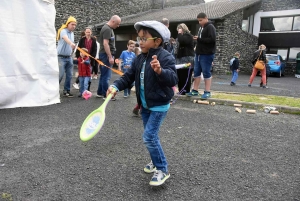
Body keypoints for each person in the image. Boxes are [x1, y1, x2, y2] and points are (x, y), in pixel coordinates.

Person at [107, 21, 178, 186]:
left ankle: (162, 169)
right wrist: (115, 86)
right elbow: (128, 77)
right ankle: (155, 161)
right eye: (139, 38)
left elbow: (173, 79)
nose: (140, 42)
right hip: (145, 106)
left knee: (149, 137)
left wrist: (160, 71)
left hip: (159, 105)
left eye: (144, 39)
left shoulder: (166, 57)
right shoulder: (139, 59)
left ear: (157, 41)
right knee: (151, 136)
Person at [186, 12, 216, 99]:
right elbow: (201, 40)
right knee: (196, 72)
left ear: (206, 18)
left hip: (207, 54)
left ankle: (207, 91)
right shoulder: (201, 28)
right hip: (198, 53)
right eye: (198, 21)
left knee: (206, 72)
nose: (199, 22)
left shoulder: (210, 27)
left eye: (201, 20)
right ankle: (195, 90)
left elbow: (212, 40)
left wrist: (199, 39)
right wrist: (197, 40)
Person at [96, 15, 121, 100]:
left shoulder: (108, 28)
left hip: (104, 54)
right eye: (117, 24)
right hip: (106, 55)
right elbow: (105, 43)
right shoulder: (107, 29)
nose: (118, 26)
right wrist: (110, 57)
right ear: (113, 21)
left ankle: (100, 92)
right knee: (106, 76)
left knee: (103, 75)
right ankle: (106, 95)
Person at [57, 16, 77, 97]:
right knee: (60, 75)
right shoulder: (63, 31)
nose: (74, 26)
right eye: (72, 24)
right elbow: (65, 38)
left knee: (69, 75)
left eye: (75, 25)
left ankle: (67, 91)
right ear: (68, 24)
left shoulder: (72, 34)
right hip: (60, 57)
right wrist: (71, 43)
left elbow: (71, 45)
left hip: (69, 57)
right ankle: (53, 90)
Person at [176, 23, 195, 95]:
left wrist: (180, 34)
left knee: (185, 75)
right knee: (180, 75)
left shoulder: (188, 36)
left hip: (187, 58)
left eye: (180, 29)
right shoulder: (182, 36)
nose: (178, 31)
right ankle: (181, 90)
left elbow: (182, 41)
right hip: (180, 58)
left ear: (183, 29)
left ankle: (185, 90)